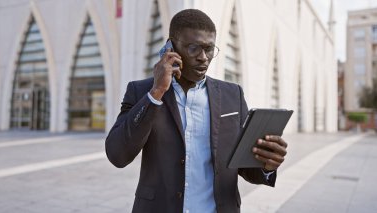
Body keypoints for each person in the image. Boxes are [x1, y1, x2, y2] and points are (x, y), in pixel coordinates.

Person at [105, 9, 288, 213]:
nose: (203, 57)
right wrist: (156, 92)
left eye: (209, 49)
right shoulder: (140, 91)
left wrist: (267, 165)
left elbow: (245, 167)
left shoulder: (232, 95)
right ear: (170, 47)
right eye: (193, 48)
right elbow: (117, 155)